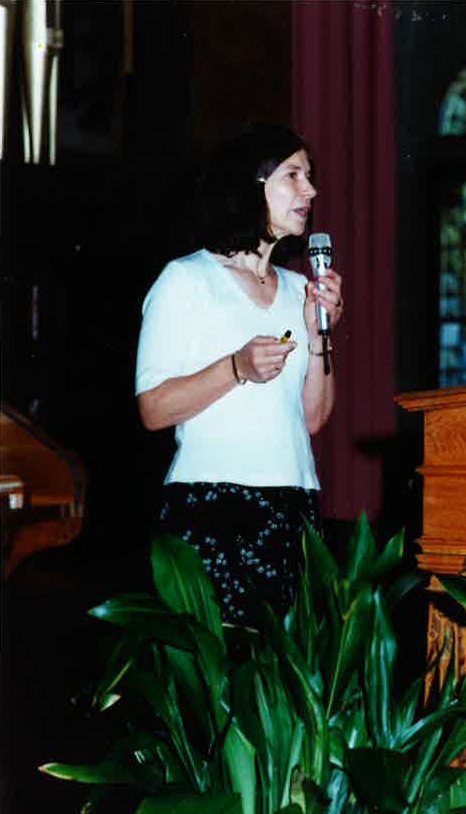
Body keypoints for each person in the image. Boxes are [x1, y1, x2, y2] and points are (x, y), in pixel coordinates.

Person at [135, 120, 343, 630]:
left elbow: (313, 418)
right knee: (218, 686)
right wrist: (236, 367)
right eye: (293, 175)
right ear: (252, 186)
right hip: (213, 502)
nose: (310, 190)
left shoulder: (300, 290)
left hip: (294, 502)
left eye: (309, 176)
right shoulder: (186, 280)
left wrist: (319, 337)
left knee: (278, 692)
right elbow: (153, 410)